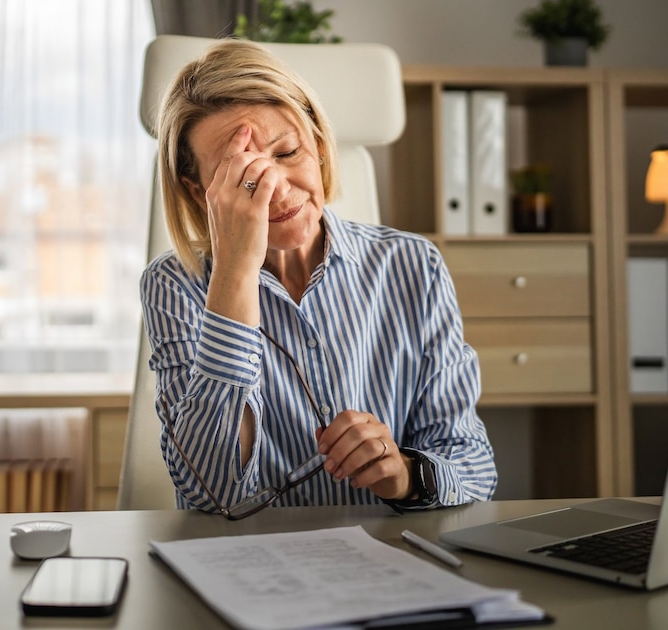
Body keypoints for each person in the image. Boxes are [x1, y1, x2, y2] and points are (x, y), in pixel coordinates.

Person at [141, 38, 496, 517]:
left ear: (320, 144)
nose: (278, 191)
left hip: (391, 563)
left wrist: (405, 474)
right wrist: (235, 273)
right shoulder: (173, 284)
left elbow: (474, 468)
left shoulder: (414, 265)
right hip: (246, 567)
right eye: (243, 176)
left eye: (287, 152)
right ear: (200, 191)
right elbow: (211, 491)